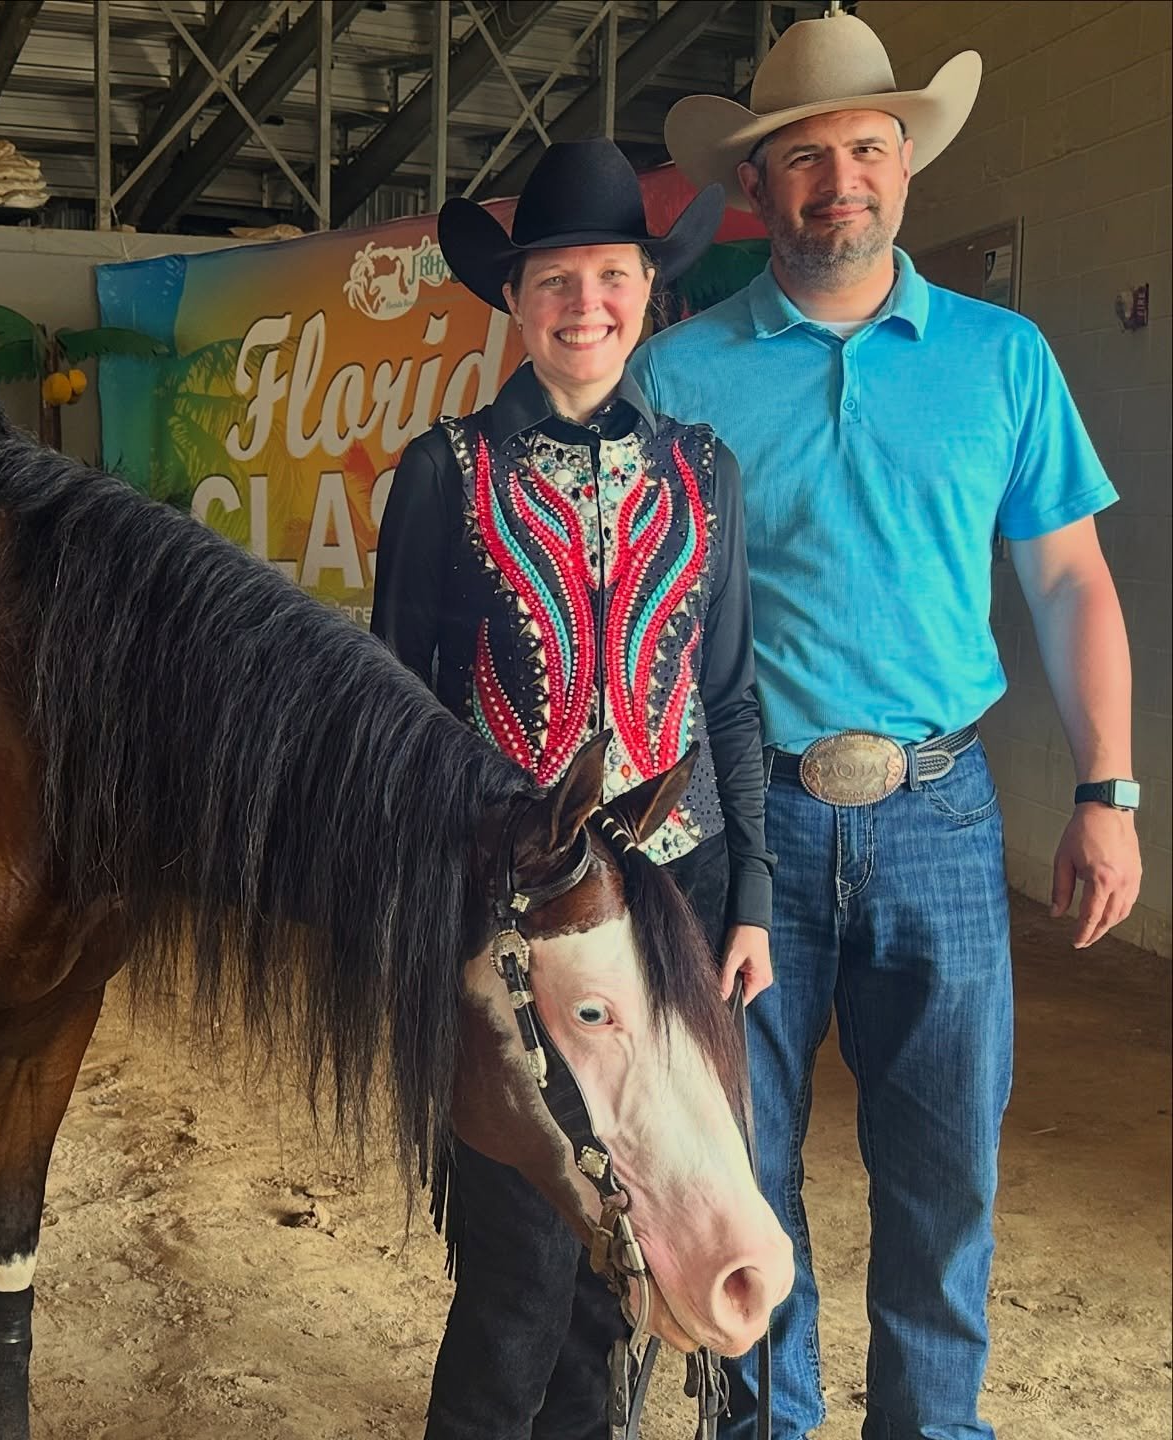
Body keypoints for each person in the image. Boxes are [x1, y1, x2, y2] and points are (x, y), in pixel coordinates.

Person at [630, 15, 1143, 1440]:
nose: (837, 180)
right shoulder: (682, 381)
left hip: (939, 816)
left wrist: (1109, 791)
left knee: (946, 1176)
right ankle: (761, 1427)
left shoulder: (1003, 358)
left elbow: (1069, 580)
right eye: (804, 158)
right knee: (742, 1164)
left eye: (865, 148)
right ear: (757, 187)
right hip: (745, 828)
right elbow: (646, 627)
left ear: (907, 164)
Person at [371, 137, 774, 1439]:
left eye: (611, 275)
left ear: (649, 290)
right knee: (516, 1272)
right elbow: (405, 710)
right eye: (555, 280)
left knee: (634, 1254)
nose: (584, 304)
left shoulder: (703, 475)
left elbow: (728, 700)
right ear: (515, 299)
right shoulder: (445, 473)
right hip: (515, 923)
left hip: (676, 913)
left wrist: (752, 896)